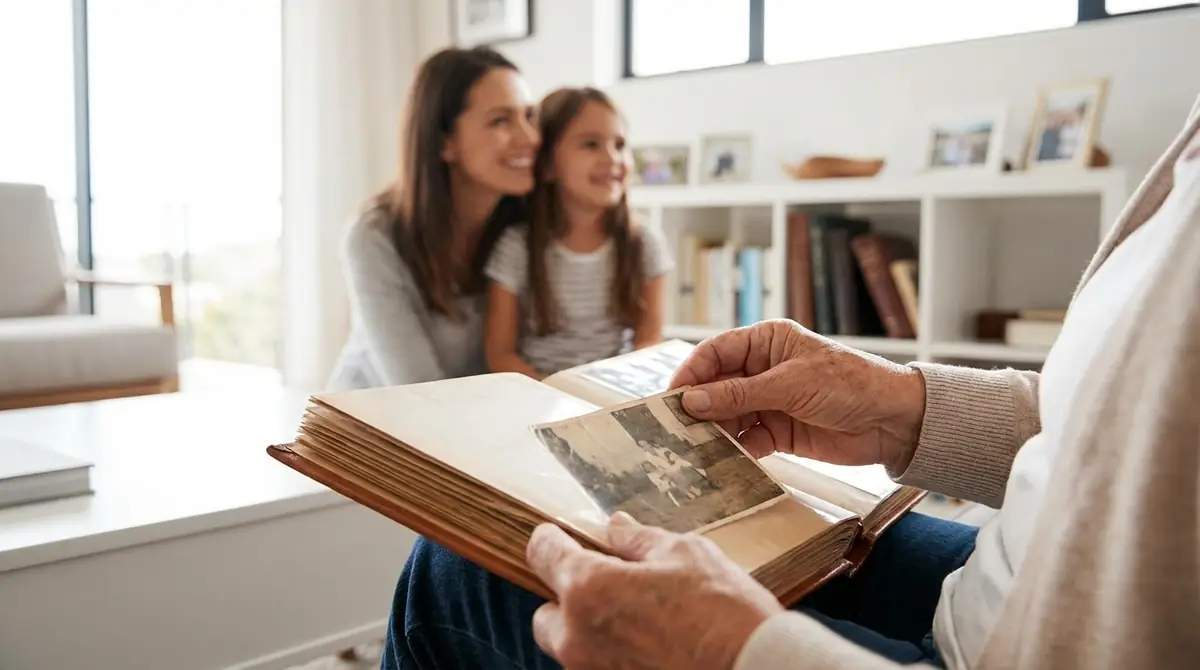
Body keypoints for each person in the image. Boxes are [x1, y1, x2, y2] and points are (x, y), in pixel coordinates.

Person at [382, 97, 1200, 670]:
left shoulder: (637, 242)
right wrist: (904, 408)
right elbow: (1122, 431)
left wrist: (738, 650)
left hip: (1011, 642)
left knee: (455, 574)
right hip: (1012, 572)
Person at [325, 45, 539, 392]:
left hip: (475, 422)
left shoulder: (523, 228)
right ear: (445, 143)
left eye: (530, 116)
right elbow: (419, 390)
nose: (529, 138)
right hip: (369, 430)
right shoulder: (375, 236)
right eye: (501, 120)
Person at [482, 86, 672, 380]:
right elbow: (500, 354)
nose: (612, 158)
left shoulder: (644, 244)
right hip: (536, 393)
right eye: (591, 144)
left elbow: (648, 341)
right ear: (546, 165)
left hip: (616, 394)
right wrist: (554, 392)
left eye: (620, 145)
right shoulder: (516, 247)